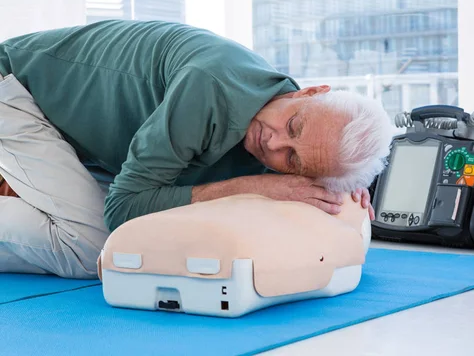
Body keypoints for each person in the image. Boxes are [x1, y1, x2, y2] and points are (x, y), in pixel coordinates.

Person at [0, 20, 395, 279]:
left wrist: (334, 183)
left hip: (69, 134)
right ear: (310, 90)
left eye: (292, 158)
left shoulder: (300, 133)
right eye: (293, 125)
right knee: (95, 250)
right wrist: (255, 188)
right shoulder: (211, 88)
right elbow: (123, 211)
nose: (273, 141)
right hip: (12, 87)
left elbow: (305, 166)